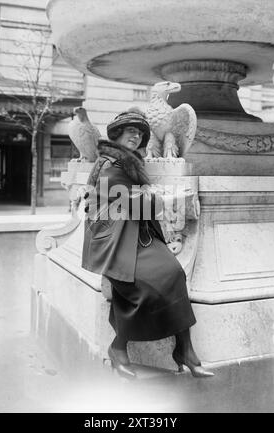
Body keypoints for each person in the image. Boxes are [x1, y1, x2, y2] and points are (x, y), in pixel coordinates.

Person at [82, 108, 214, 379]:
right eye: (130, 131)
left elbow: (133, 201)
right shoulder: (109, 165)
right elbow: (130, 203)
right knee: (147, 286)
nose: (136, 135)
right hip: (117, 242)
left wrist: (146, 196)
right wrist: (155, 199)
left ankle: (185, 349)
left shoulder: (129, 163)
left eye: (140, 132)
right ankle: (118, 348)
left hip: (137, 236)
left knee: (175, 273)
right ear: (117, 134)